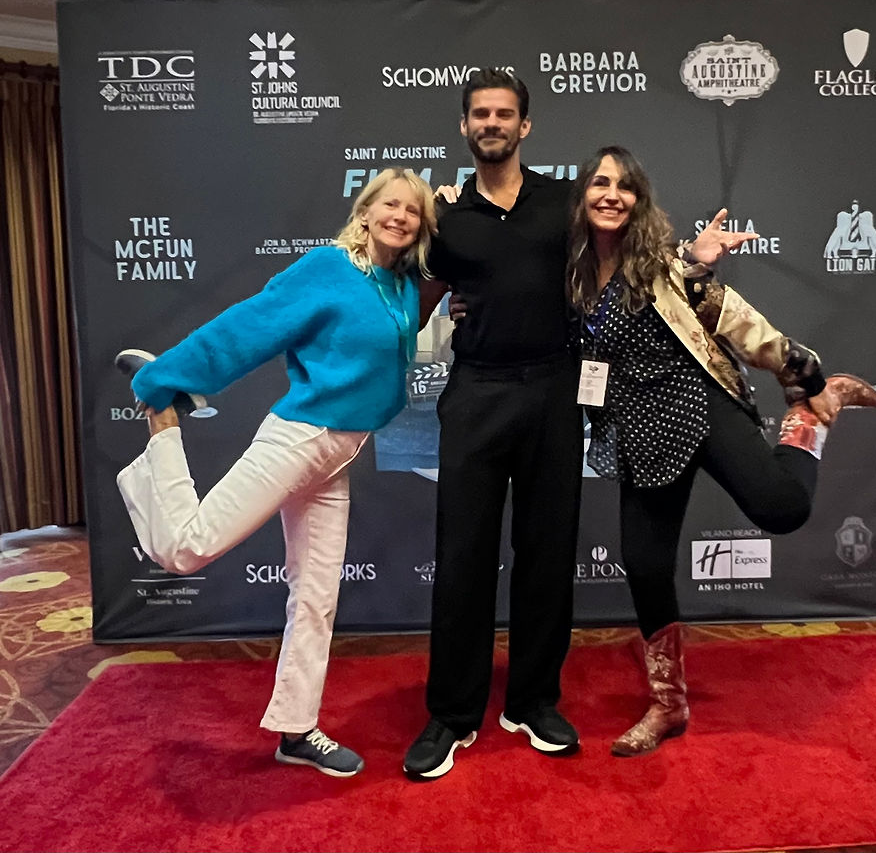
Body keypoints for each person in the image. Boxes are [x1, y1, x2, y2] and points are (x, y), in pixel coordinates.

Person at [114, 168, 437, 777]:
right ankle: (162, 426)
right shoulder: (328, 267)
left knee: (315, 597)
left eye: (413, 210)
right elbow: (253, 324)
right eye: (389, 204)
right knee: (186, 550)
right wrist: (168, 379)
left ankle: (295, 728)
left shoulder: (397, 284)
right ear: (364, 212)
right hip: (300, 438)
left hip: (336, 456)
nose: (400, 216)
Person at [567, 146, 876, 757]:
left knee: (782, 508)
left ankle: (807, 425)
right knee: (647, 564)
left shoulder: (664, 267)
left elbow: (739, 323)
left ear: (639, 202)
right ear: (582, 197)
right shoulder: (570, 275)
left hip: (695, 402)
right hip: (637, 429)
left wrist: (807, 381)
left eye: (625, 186)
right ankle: (669, 704)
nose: (611, 194)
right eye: (600, 183)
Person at [403, 69, 583, 780]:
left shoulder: (565, 204)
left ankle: (533, 701)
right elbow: (414, 304)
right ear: (465, 126)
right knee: (464, 559)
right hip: (476, 394)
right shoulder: (444, 218)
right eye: (480, 113)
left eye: (504, 113)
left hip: (554, 392)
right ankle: (451, 714)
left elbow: (618, 271)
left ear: (525, 126)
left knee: (547, 553)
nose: (492, 123)